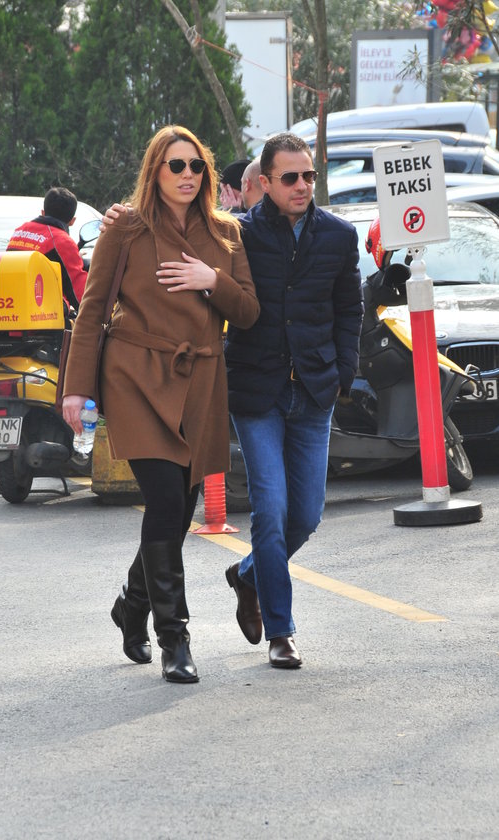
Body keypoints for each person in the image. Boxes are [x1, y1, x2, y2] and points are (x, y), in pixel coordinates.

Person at [62, 126, 259, 685]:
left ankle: (132, 603)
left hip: (200, 382)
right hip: (136, 377)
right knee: (167, 501)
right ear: (155, 170)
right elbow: (92, 309)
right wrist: (76, 388)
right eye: (176, 165)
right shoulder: (125, 227)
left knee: (176, 508)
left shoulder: (226, 230)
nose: (187, 175)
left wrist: (211, 279)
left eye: (196, 165)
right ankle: (176, 639)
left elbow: (247, 311)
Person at [224, 132, 364, 669]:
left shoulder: (338, 235)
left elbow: (349, 309)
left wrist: (342, 374)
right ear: (264, 182)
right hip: (256, 392)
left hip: (314, 390)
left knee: (305, 516)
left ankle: (248, 575)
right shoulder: (238, 234)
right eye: (290, 177)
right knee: (271, 510)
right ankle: (281, 631)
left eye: (309, 175)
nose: (302, 185)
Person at [7, 187, 87, 313]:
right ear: (72, 221)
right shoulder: (62, 241)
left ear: (43, 212)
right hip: (42, 311)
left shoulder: (20, 231)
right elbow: (78, 292)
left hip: (11, 305)